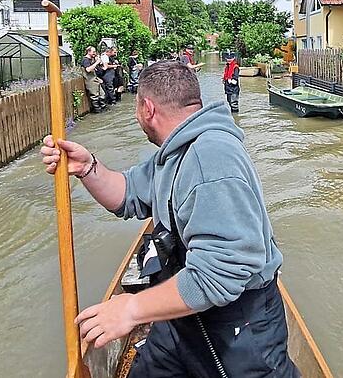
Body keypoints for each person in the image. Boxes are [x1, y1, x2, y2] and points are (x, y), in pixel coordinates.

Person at [39, 61, 298, 377]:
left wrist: (131, 309)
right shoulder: (174, 151)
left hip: (238, 326)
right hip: (182, 310)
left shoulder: (211, 160)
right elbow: (128, 193)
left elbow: (220, 276)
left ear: (147, 108)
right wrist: (87, 167)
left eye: (136, 107)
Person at [80, 46, 105, 114]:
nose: (95, 53)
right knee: (95, 96)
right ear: (88, 52)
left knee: (102, 95)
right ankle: (98, 111)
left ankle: (103, 109)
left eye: (95, 52)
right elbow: (88, 69)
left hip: (95, 79)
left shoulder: (92, 59)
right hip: (90, 81)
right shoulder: (85, 60)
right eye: (93, 52)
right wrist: (96, 63)